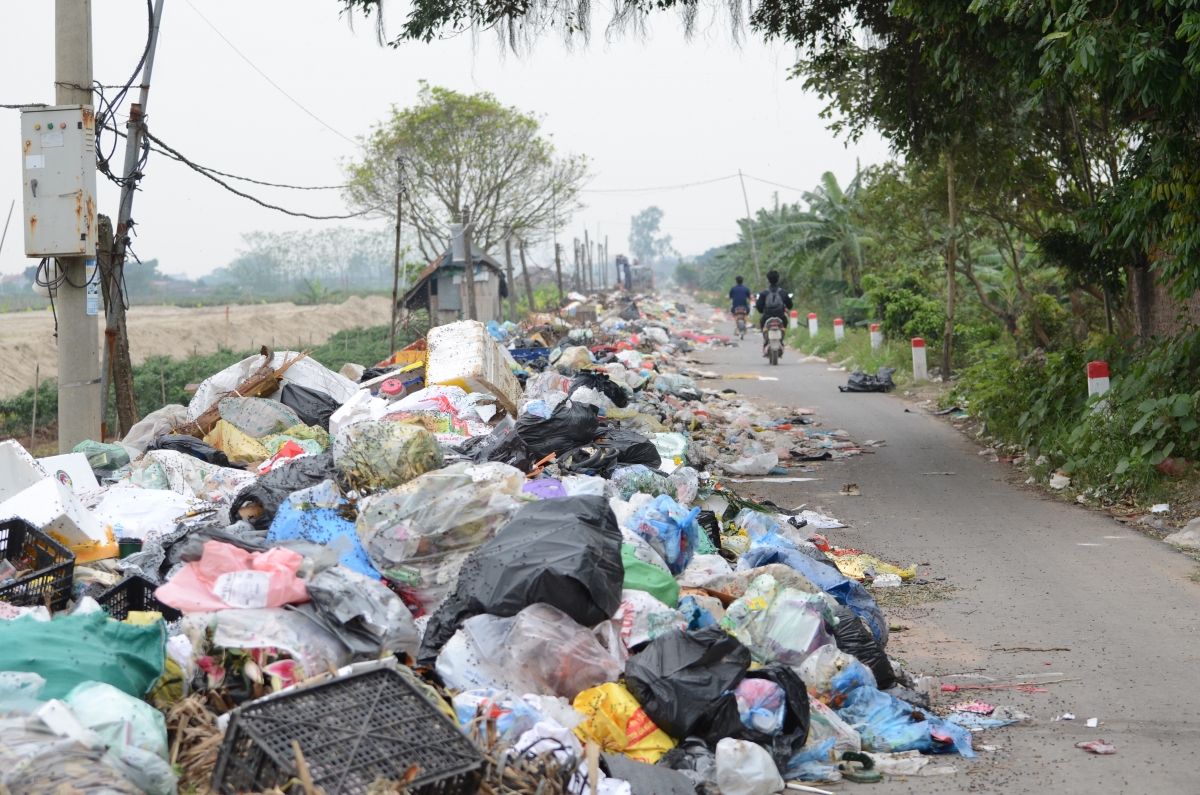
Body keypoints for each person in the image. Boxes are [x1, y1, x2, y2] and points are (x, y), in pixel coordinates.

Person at [755, 270, 793, 355]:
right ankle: (781, 341)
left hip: (767, 317)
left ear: (768, 281)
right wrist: (785, 308)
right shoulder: (783, 292)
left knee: (762, 323)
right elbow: (790, 305)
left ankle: (765, 341)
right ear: (778, 280)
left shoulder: (764, 293)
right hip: (780, 317)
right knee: (785, 322)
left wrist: (763, 311)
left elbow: (759, 306)